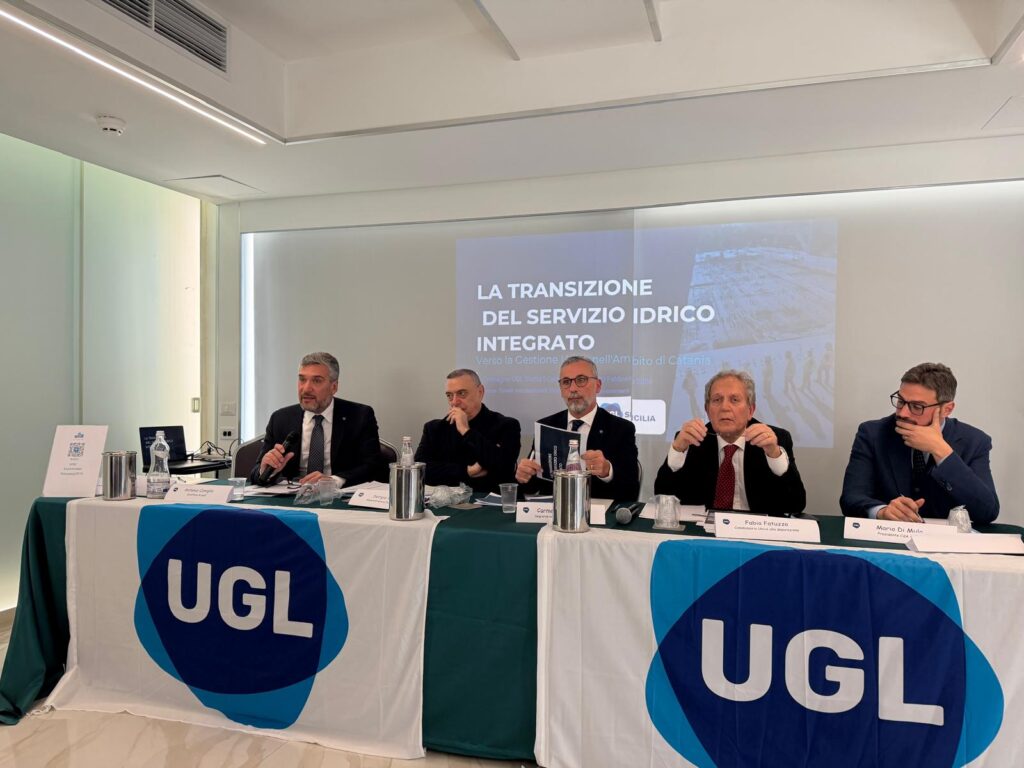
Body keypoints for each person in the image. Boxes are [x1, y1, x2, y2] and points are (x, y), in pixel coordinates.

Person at [840, 362, 998, 524]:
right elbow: (851, 498)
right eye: (900, 401)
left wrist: (941, 450)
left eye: (917, 406)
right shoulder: (873, 433)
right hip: (889, 534)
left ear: (947, 409)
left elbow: (987, 511)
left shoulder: (975, 441)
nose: (903, 413)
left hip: (943, 538)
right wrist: (882, 511)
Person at [653, 370, 806, 516]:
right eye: (717, 400)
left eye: (734, 400)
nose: (725, 407)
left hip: (754, 529)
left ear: (750, 410)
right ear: (707, 410)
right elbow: (663, 498)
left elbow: (795, 504)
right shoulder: (693, 440)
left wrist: (774, 455)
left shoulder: (773, 440)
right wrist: (677, 450)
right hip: (706, 529)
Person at [514, 356, 640, 502]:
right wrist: (524, 477)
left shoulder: (621, 429)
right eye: (566, 382)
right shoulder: (546, 426)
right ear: (561, 389)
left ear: (598, 385)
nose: (573, 389)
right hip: (553, 511)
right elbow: (533, 488)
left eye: (581, 380)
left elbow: (631, 490)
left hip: (598, 512)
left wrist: (607, 471)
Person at [250, 352, 383, 487]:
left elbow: (374, 468)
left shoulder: (359, 416)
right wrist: (266, 470)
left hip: (337, 496)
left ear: (334, 387)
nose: (306, 388)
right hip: (292, 496)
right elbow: (255, 474)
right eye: (302, 379)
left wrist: (333, 481)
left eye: (317, 381)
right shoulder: (280, 419)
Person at [414, 369, 521, 493]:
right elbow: (420, 470)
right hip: (445, 501)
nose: (454, 402)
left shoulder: (506, 425)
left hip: (490, 501)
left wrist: (466, 431)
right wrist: (467, 471)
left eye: (462, 393)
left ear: (480, 392)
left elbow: (503, 468)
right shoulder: (434, 429)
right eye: (449, 395)